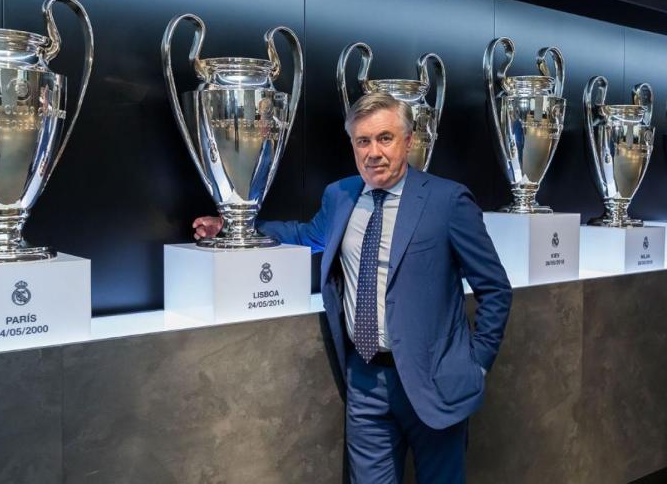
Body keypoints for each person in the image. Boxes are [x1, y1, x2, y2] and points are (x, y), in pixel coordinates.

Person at [193, 92, 512, 483]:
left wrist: (475, 364)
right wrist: (234, 227)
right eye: (363, 141)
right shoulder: (341, 195)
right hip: (365, 384)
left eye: (385, 138)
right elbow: (307, 235)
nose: (373, 152)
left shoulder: (448, 200)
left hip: (436, 384)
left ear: (408, 141)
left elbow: (495, 287)